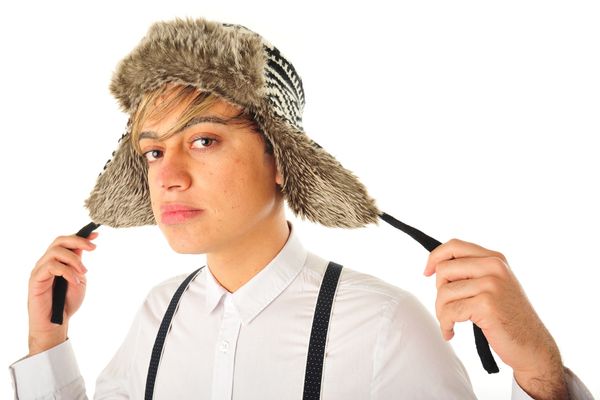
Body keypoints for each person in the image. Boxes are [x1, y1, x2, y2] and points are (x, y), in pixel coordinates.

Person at [9, 17, 594, 399]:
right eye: (154, 151)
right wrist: (48, 340)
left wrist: (540, 373)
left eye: (204, 140)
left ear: (280, 160)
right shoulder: (158, 314)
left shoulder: (383, 324)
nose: (169, 176)